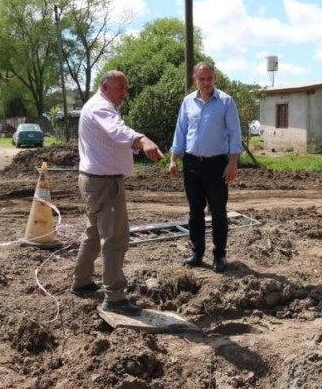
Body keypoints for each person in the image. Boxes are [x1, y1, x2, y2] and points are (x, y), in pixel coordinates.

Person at [72, 70, 164, 316]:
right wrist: (142, 140)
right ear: (105, 87)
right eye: (120, 87)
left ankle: (81, 280)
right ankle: (114, 297)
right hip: (104, 184)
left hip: (95, 181)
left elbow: (112, 136)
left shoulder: (98, 105)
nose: (124, 92)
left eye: (125, 88)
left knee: (94, 232)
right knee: (115, 239)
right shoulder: (101, 107)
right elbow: (117, 130)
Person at [168, 62, 243, 273]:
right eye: (202, 79)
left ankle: (219, 255)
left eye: (210, 78)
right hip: (192, 163)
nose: (206, 82)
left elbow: (235, 134)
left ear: (214, 78)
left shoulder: (226, 102)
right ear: (195, 80)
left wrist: (232, 163)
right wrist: (173, 158)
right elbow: (181, 132)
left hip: (216, 164)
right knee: (195, 211)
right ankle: (197, 253)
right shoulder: (187, 102)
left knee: (218, 210)